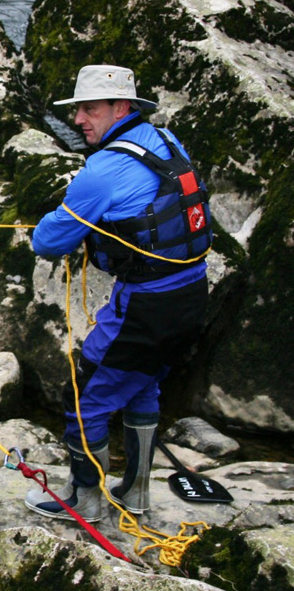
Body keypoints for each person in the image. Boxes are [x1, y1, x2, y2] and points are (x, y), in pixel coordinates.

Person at [24, 65, 212, 522]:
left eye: (90, 109)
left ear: (121, 108)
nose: (78, 120)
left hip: (145, 305)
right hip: (192, 295)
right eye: (78, 110)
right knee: (143, 383)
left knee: (83, 395)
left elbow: (48, 242)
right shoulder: (167, 143)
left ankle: (85, 501)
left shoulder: (103, 170)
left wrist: (63, 210)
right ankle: (138, 492)